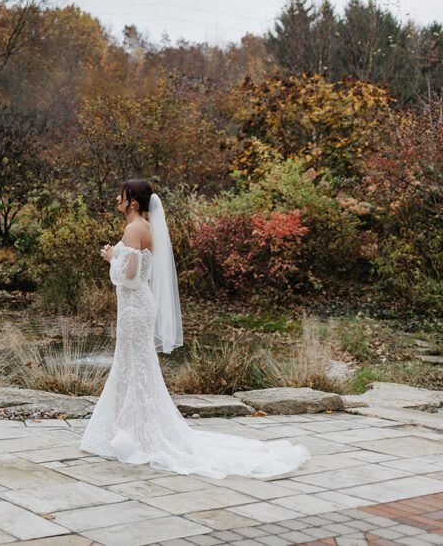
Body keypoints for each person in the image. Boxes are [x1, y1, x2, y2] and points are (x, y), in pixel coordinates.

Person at [79, 179, 310, 478]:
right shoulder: (145, 228)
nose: (116, 198)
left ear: (133, 202)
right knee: (134, 366)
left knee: (132, 366)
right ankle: (130, 429)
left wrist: (112, 259)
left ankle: (133, 433)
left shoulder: (133, 228)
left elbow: (132, 277)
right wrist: (119, 257)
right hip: (136, 308)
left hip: (135, 309)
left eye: (120, 195)